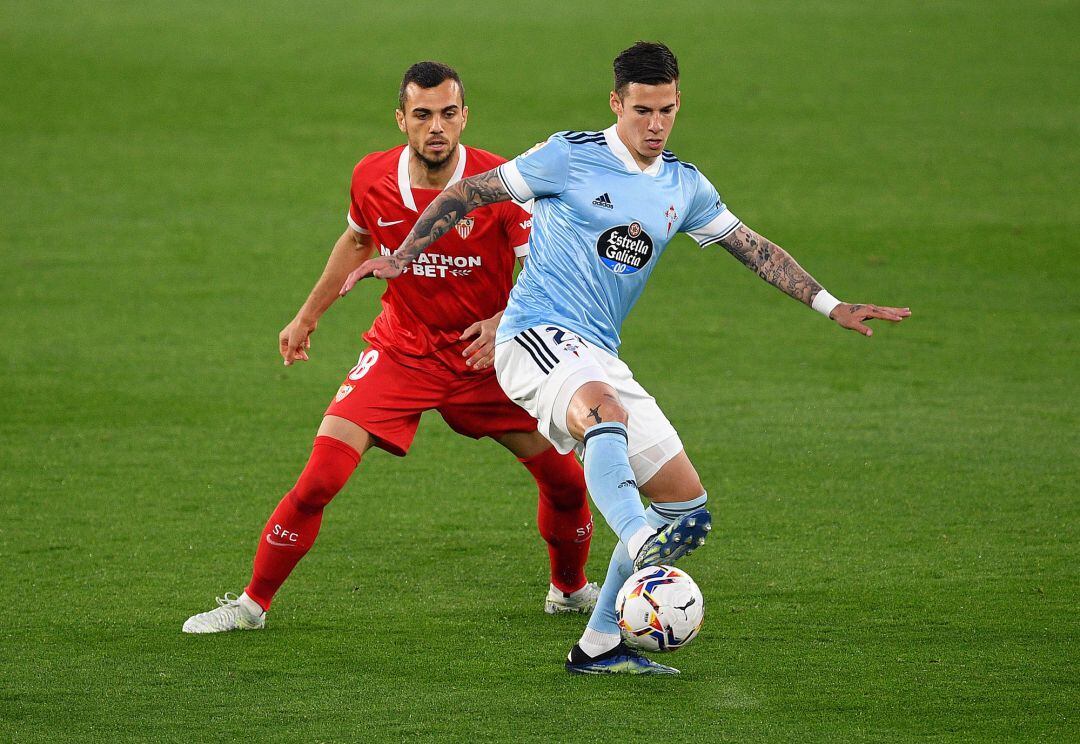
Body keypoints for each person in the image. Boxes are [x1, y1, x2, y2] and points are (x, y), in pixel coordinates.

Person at [346, 42, 912, 674]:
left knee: (687, 512)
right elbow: (469, 194)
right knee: (605, 418)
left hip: (599, 353)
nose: (654, 124)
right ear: (616, 103)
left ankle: (598, 644)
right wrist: (405, 253)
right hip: (535, 334)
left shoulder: (684, 185)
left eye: (666, 110)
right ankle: (639, 542)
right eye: (641, 110)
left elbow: (750, 245)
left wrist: (830, 304)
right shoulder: (569, 156)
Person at [183, 62, 598, 634]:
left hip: (489, 360)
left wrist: (503, 321)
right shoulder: (371, 177)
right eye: (422, 115)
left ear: (464, 117)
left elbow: (546, 273)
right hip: (402, 350)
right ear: (401, 119)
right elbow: (357, 240)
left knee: (567, 481)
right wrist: (308, 315)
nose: (436, 127)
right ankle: (251, 605)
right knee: (320, 478)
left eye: (448, 114)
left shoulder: (502, 183)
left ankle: (569, 590)